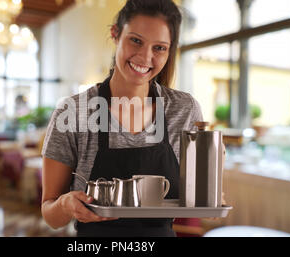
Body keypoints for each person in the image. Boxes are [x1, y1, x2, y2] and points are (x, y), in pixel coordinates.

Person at [41, 0, 206, 237]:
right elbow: (50, 215)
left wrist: (207, 198)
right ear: (116, 34)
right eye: (136, 40)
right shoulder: (73, 112)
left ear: (169, 51)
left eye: (159, 47)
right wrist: (66, 205)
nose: (145, 57)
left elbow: (196, 193)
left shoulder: (184, 110)